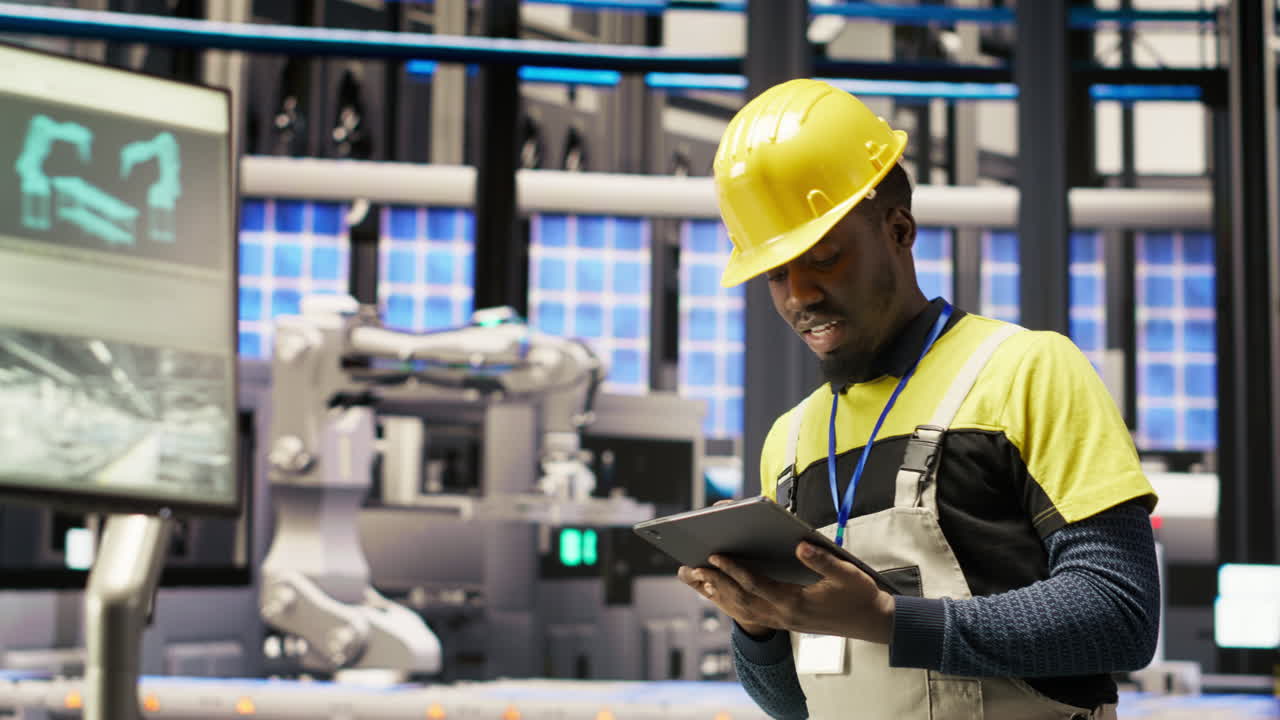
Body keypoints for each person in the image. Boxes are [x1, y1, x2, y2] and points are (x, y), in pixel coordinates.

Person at [676, 78, 1159, 720]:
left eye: (822, 256)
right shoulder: (789, 445)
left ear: (898, 229)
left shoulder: (1026, 372)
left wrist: (888, 619)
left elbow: (1118, 611)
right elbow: (799, 704)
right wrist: (759, 625)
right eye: (774, 272)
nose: (799, 295)